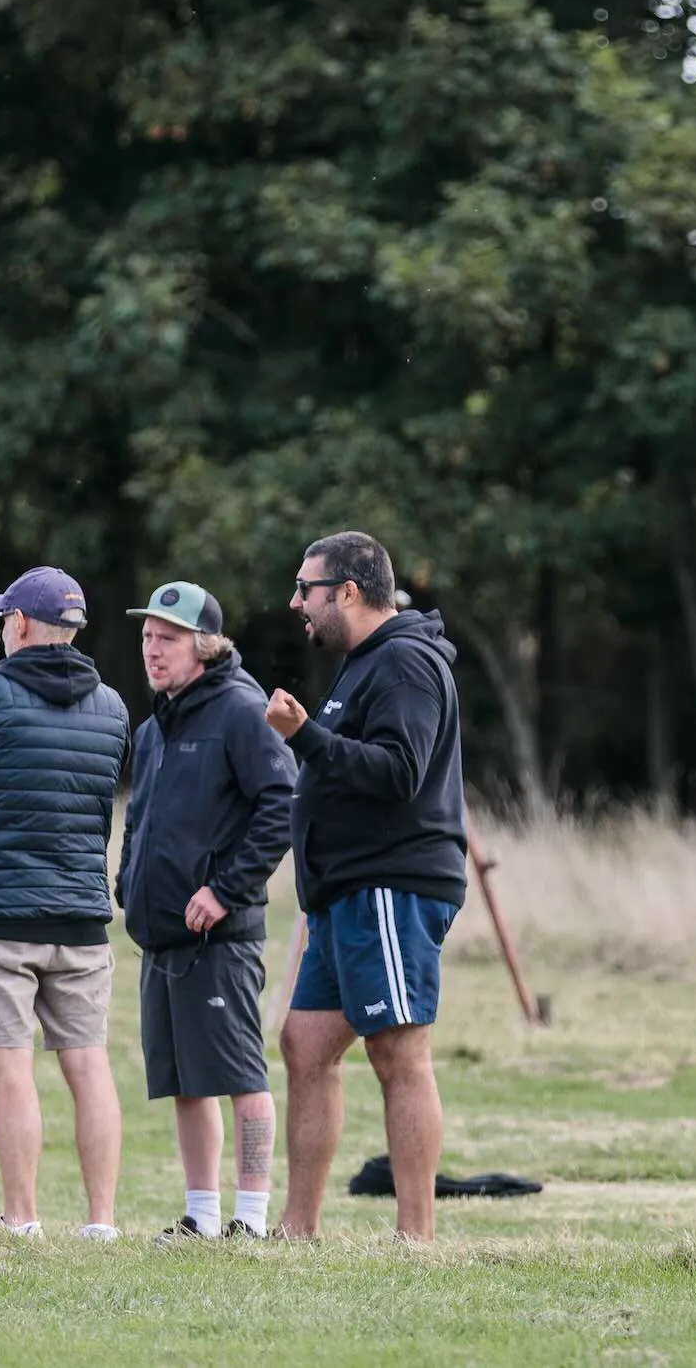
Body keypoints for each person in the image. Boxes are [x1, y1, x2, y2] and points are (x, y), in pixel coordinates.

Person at [263, 530, 467, 1242]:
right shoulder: (363, 664)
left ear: (347, 591)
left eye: (305, 590)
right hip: (343, 894)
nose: (296, 604)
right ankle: (298, 1229)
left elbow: (397, 773)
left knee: (397, 1051)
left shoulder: (406, 663)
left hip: (390, 886)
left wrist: (304, 737)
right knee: (305, 1045)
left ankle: (417, 1239)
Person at [0, 565, 131, 1240]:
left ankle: (23, 1218)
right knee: (88, 1062)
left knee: (10, 1066)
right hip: (82, 915)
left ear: (18, 625)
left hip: (1, 913)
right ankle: (101, 1221)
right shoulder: (114, 707)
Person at [116, 580, 296, 1242]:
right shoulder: (157, 724)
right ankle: (202, 1215)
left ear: (206, 646)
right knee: (186, 1082)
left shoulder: (242, 712)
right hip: (162, 936)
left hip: (222, 938)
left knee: (240, 1076)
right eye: (147, 638)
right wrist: (126, 881)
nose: (153, 651)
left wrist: (224, 890)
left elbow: (283, 804)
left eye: (168, 640)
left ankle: (249, 1220)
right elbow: (139, 817)